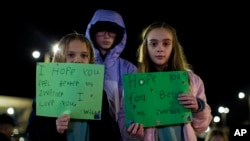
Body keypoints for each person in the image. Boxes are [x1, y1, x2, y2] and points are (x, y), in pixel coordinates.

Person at [118, 21, 213, 141]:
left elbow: (202, 126)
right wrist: (133, 134)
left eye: (166, 43)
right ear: (146, 47)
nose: (160, 49)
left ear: (174, 46)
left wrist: (198, 107)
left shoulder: (191, 79)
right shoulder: (135, 82)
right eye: (153, 44)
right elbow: (123, 119)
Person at [26, 32, 113, 141]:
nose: (78, 60)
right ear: (60, 58)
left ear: (90, 60)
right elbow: (31, 135)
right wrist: (55, 128)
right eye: (71, 55)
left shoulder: (99, 94)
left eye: (84, 55)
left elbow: (109, 134)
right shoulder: (45, 94)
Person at [85, 9, 137, 140]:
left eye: (112, 31)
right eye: (102, 30)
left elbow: (132, 109)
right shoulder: (83, 66)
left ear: (119, 35)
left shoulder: (129, 69)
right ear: (93, 32)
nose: (107, 36)